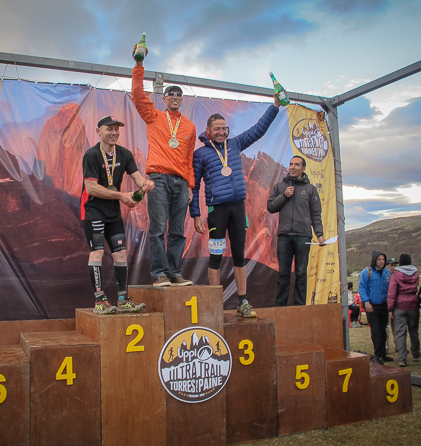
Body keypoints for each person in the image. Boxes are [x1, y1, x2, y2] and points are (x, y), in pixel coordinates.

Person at [189, 97, 281, 318]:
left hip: (238, 209)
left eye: (224, 128)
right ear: (208, 131)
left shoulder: (235, 144)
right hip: (217, 211)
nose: (222, 132)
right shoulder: (200, 154)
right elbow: (194, 185)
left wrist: (275, 106)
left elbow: (258, 129)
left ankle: (243, 302)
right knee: (216, 256)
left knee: (239, 256)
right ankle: (214, 304)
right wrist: (195, 215)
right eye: (217, 129)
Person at [131, 45, 196, 287]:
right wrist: (139, 65)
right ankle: (159, 273)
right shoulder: (154, 116)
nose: (175, 97)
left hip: (181, 182)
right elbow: (137, 94)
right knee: (158, 229)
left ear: (182, 99)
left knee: (177, 231)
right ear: (165, 98)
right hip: (158, 178)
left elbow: (189, 159)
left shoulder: (189, 126)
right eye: (171, 94)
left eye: (179, 94)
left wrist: (190, 185)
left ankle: (174, 273)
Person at [81, 116, 154, 314]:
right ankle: (99, 301)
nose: (114, 133)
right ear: (98, 131)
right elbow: (91, 188)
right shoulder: (92, 154)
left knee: (120, 254)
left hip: (113, 213)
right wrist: (122, 196)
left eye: (116, 129)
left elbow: (137, 178)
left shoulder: (124, 153)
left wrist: (145, 185)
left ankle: (123, 299)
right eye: (109, 129)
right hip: (93, 210)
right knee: (97, 253)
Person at [267, 155, 325, 306]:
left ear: (303, 168)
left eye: (297, 165)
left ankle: (300, 308)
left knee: (301, 274)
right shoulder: (280, 186)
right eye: (291, 164)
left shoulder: (311, 189)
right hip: (284, 236)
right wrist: (284, 196)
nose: (293, 167)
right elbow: (271, 207)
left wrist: (319, 235)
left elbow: (316, 215)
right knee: (283, 274)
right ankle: (280, 307)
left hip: (303, 236)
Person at [358, 251, 392, 364]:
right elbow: (362, 288)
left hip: (384, 305)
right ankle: (378, 354)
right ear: (374, 260)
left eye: (383, 259)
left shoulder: (387, 272)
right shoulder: (367, 272)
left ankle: (383, 353)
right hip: (372, 306)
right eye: (379, 259)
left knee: (383, 330)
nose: (382, 262)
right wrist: (366, 302)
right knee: (376, 331)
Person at [387, 254, 420, 367]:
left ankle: (402, 358)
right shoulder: (416, 273)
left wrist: (390, 308)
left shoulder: (396, 274)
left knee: (401, 333)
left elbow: (392, 292)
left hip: (400, 305)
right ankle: (416, 354)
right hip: (413, 304)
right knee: (414, 331)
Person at [385, 257, 399, 353]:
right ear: (387, 266)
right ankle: (386, 346)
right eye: (391, 265)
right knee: (386, 326)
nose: (393, 267)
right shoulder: (384, 275)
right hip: (386, 303)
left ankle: (397, 345)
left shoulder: (397, 275)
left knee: (396, 325)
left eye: (394, 265)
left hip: (395, 303)